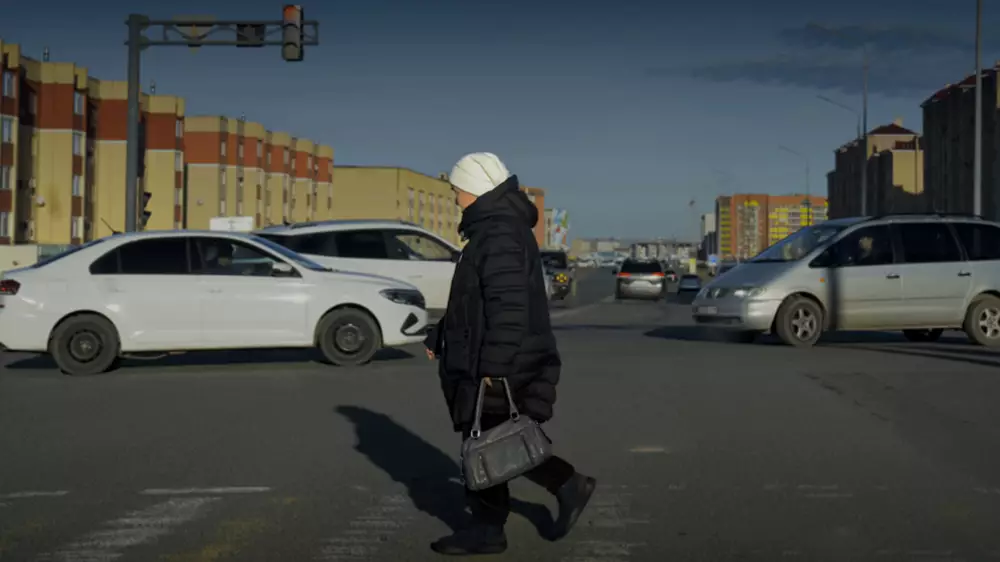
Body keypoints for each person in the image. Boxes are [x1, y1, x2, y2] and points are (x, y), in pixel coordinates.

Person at [424, 152, 596, 556]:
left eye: (457, 190)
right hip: (489, 355)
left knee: (491, 441)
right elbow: (474, 302)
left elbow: (509, 308)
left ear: (475, 188)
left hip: (498, 362)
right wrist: (441, 335)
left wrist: (494, 366)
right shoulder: (493, 229)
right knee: (494, 440)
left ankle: (512, 517)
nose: (455, 197)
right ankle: (525, 508)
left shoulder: (498, 234)